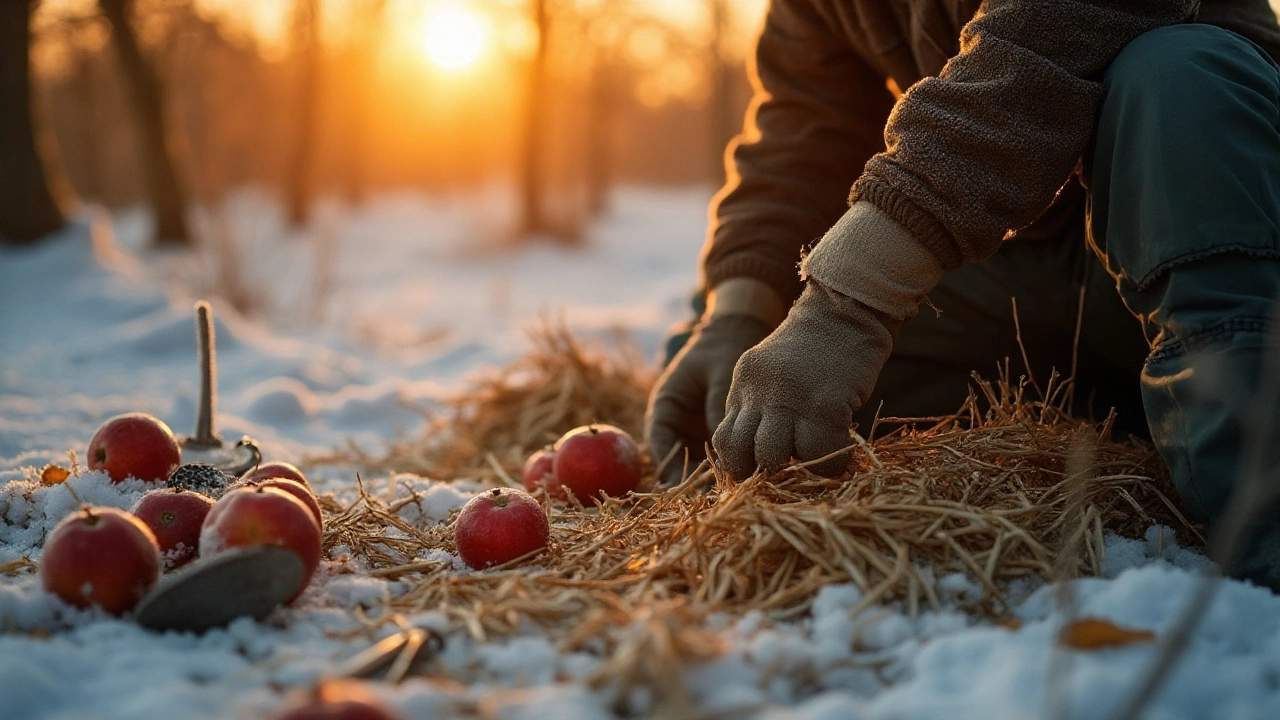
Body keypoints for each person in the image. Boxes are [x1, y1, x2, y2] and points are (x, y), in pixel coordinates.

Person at [645, 0, 1280, 592]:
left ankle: (1262, 518)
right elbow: (804, 140)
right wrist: (734, 313)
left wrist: (845, 309)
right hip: (1010, 273)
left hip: (1195, 223)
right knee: (768, 349)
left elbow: (1044, 44)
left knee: (1176, 77)